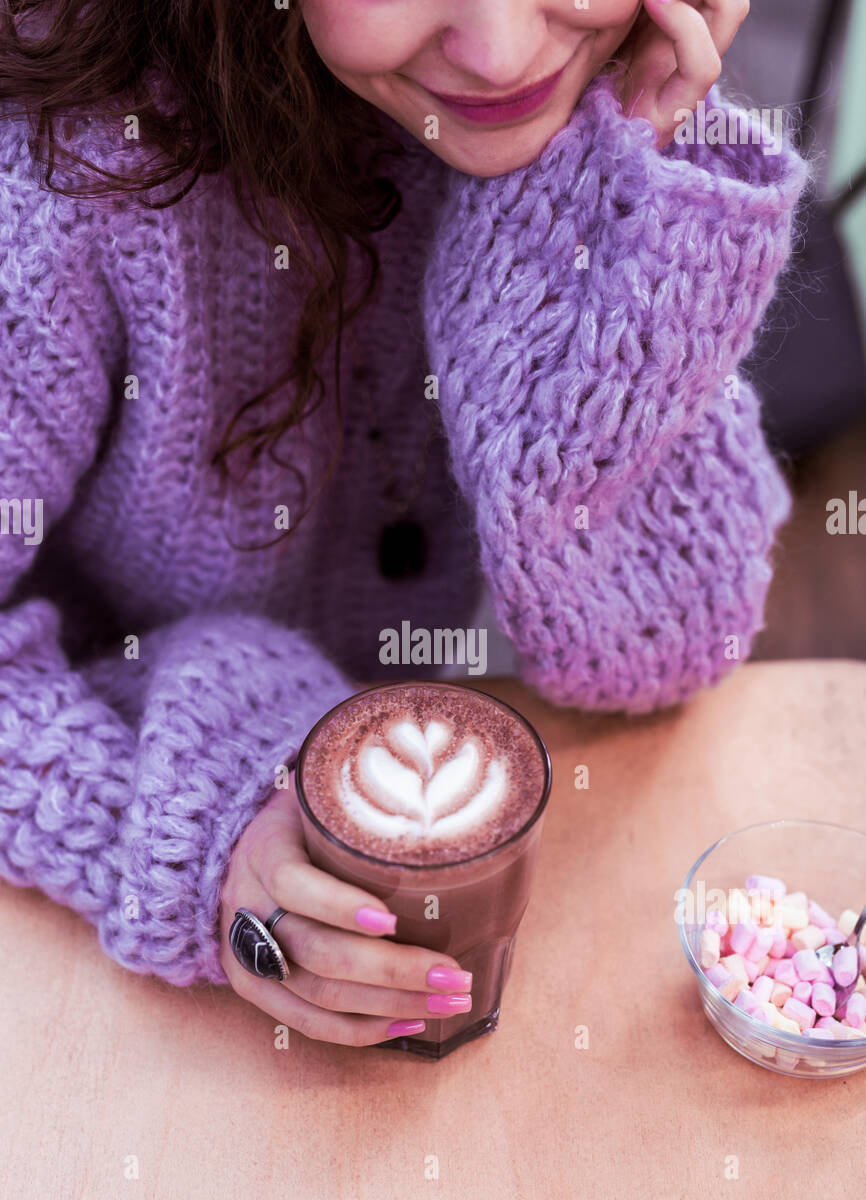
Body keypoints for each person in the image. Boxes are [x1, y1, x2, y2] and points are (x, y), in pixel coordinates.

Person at [0, 1, 806, 1045]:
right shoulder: (67, 174)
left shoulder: (582, 104)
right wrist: (168, 835)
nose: (502, 52)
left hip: (458, 796)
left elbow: (659, 648)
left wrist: (585, 204)